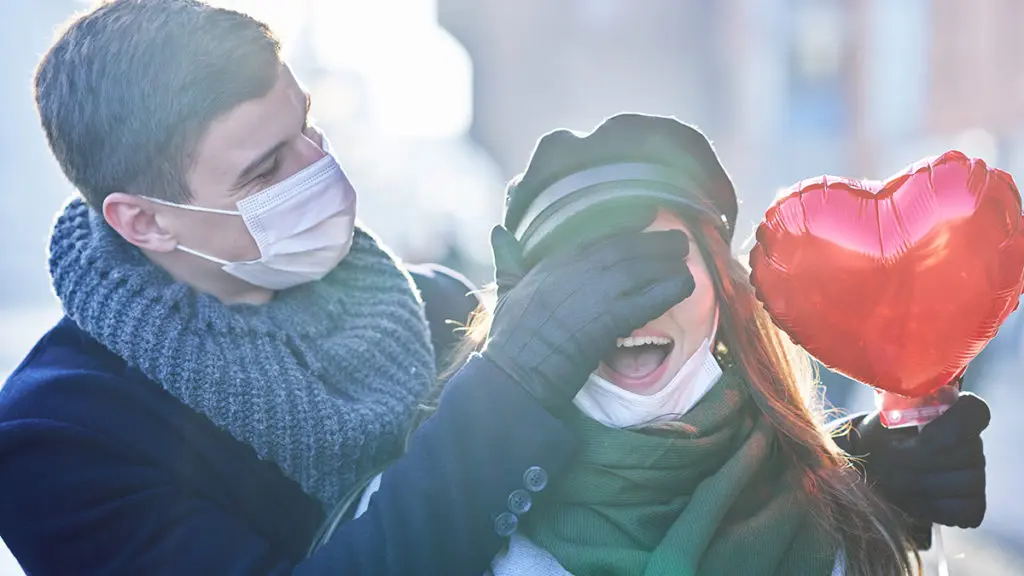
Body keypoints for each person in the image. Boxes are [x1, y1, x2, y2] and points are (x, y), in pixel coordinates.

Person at [0, 3, 698, 575]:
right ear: (144, 220)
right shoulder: (56, 438)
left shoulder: (434, 308)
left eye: (305, 123)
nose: (319, 168)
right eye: (266, 170)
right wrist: (514, 383)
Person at [354, 113, 991, 575]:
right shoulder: (444, 523)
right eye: (591, 273)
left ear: (723, 288)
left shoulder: (854, 516)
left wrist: (851, 479)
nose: (633, 304)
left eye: (663, 262)